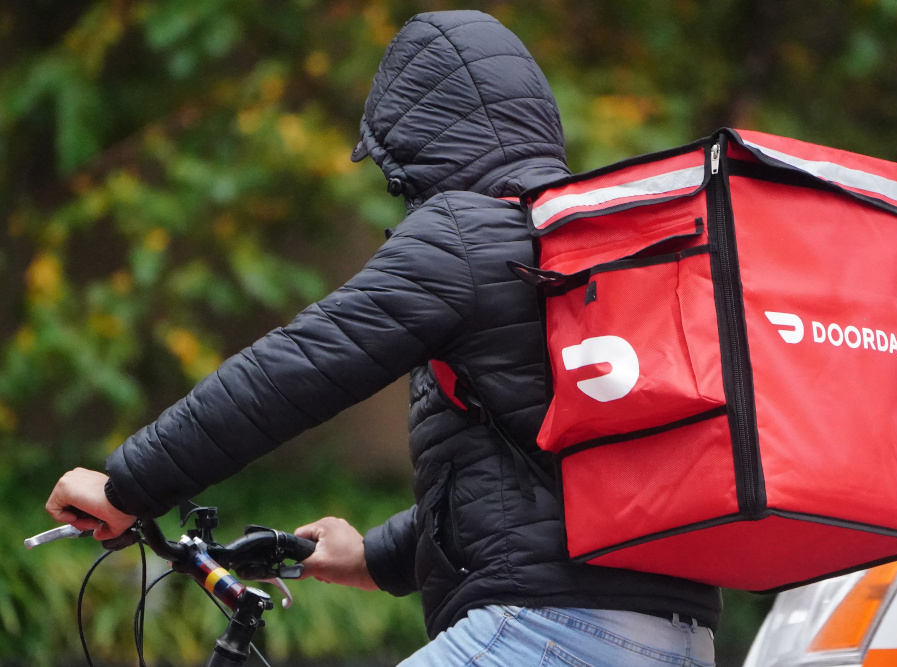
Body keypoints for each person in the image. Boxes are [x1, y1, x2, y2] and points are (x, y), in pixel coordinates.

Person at [45, 10, 719, 666]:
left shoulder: (464, 233)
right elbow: (553, 483)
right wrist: (374, 554)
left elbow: (295, 368)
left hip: (547, 631)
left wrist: (128, 484)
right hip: (680, 639)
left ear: (419, 140)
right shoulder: (595, 259)